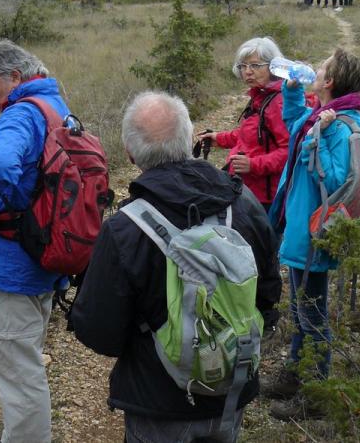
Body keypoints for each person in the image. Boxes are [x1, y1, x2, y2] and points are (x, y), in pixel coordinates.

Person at [71, 91, 281, 442]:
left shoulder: (124, 228)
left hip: (159, 401)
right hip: (232, 389)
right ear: (190, 137)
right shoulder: (242, 202)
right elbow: (268, 295)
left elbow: (99, 332)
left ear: (130, 153)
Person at [0, 40, 67, 442]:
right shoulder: (54, 104)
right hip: (45, 251)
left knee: (19, 377)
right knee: (26, 362)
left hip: (14, 262)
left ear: (16, 78)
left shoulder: (21, 114)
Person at [262, 47, 360, 421]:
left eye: (321, 68)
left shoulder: (337, 127)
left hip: (315, 238)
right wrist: (291, 90)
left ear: (329, 82)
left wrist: (320, 138)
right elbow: (295, 123)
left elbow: (336, 180)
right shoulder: (322, 117)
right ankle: (294, 377)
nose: (314, 69)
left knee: (312, 316)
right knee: (301, 310)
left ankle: (314, 395)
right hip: (302, 233)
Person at [196, 37, 292, 211]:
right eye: (243, 66)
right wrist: (219, 138)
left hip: (266, 198)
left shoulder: (278, 102)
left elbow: (290, 151)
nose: (248, 71)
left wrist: (253, 165)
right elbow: (251, 135)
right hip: (249, 189)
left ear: (273, 67)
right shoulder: (260, 96)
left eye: (255, 65)